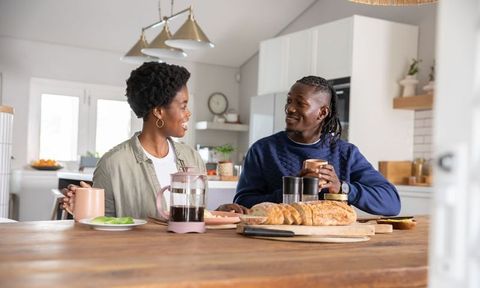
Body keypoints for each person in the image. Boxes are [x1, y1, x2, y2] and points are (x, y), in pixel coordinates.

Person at [62, 62, 247, 218]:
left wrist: (218, 213)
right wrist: (82, 210)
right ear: (158, 111)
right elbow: (100, 228)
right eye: (183, 106)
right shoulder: (112, 165)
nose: (188, 113)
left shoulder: (192, 158)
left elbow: (193, 219)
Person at [234, 75, 400, 216]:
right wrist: (292, 192)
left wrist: (342, 188)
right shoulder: (262, 150)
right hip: (278, 241)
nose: (290, 108)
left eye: (300, 103)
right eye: (289, 101)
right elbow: (242, 203)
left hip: (334, 243)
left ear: (322, 112)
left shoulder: (346, 153)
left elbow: (392, 203)